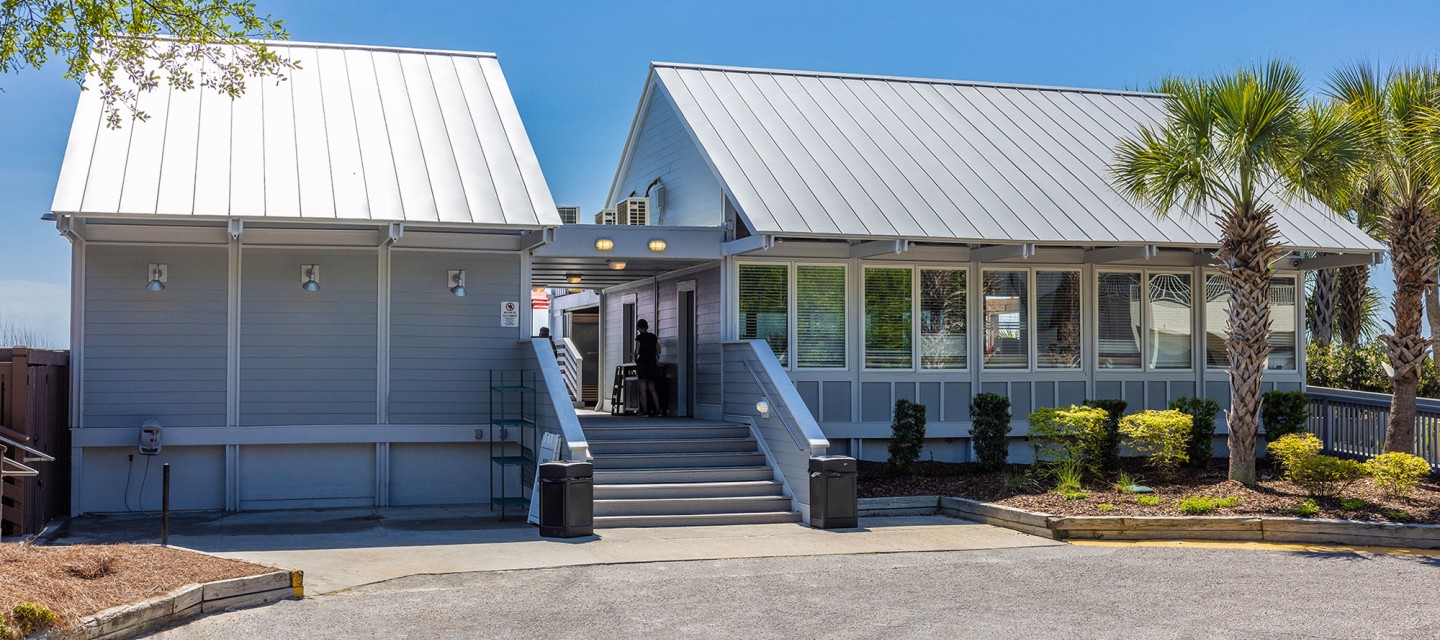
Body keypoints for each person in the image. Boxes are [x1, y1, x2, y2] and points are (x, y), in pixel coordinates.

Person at [633, 319, 663, 417]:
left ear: (639, 328)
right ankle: (658, 410)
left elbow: (637, 351)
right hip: (652, 363)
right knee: (652, 388)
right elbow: (658, 350)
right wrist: (652, 354)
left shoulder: (639, 338)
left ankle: (645, 411)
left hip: (643, 364)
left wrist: (634, 357)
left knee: (643, 388)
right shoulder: (653, 337)